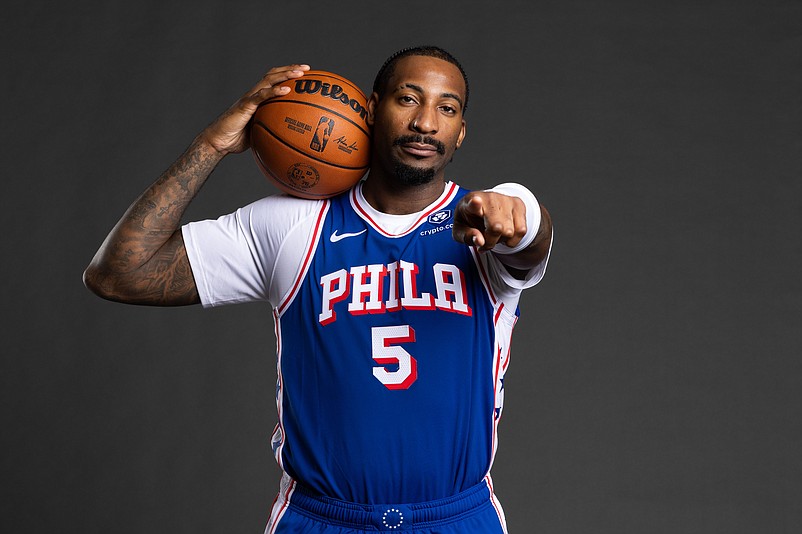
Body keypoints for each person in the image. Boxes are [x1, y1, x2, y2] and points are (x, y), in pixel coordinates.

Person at [84, 46, 553, 533]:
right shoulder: (292, 224)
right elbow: (118, 273)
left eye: (447, 108)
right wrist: (211, 146)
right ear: (371, 109)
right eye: (408, 99)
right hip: (321, 519)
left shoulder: (484, 230)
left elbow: (530, 237)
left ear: (461, 132)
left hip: (457, 517)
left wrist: (522, 205)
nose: (426, 123)